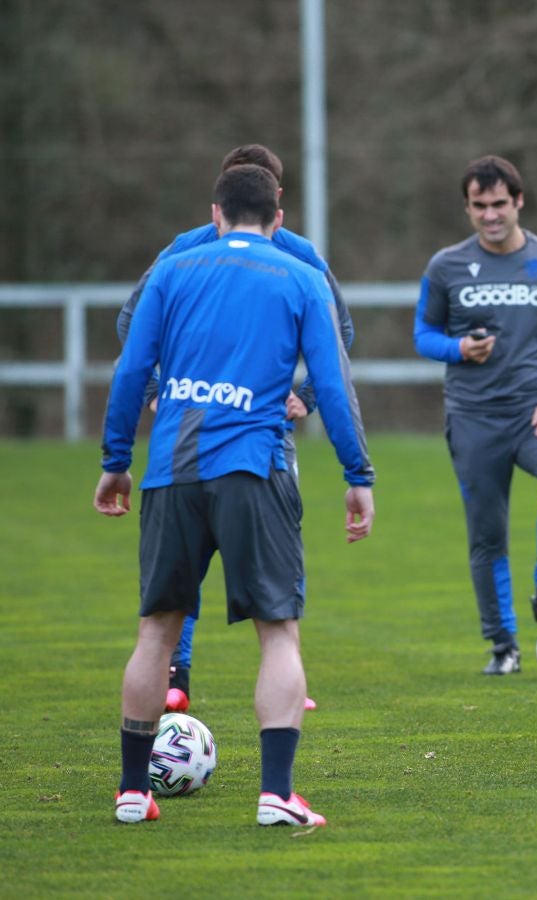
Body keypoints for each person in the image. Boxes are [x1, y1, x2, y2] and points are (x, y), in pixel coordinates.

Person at [98, 164, 375, 826]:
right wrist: (356, 473)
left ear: (215, 214)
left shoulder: (173, 269)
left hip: (172, 469)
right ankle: (276, 793)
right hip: (255, 466)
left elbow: (132, 369)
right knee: (278, 632)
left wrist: (115, 461)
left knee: (156, 631)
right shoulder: (301, 276)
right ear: (277, 220)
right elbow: (331, 386)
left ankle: (133, 792)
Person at [118, 143, 353, 714]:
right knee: (182, 570)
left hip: (263, 436)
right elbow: (131, 320)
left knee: (277, 553)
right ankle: (179, 672)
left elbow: (340, 332)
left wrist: (306, 397)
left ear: (277, 203)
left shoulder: (301, 258)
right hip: (194, 435)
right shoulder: (184, 252)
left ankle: (286, 672)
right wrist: (157, 392)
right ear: (221, 202)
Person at [414, 155, 537, 675]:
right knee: (486, 532)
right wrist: (458, 348)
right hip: (473, 417)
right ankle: (502, 645)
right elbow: (423, 335)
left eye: (498, 204)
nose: (490, 215)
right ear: (468, 208)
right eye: (479, 206)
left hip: (536, 411)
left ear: (518, 202)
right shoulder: (446, 266)